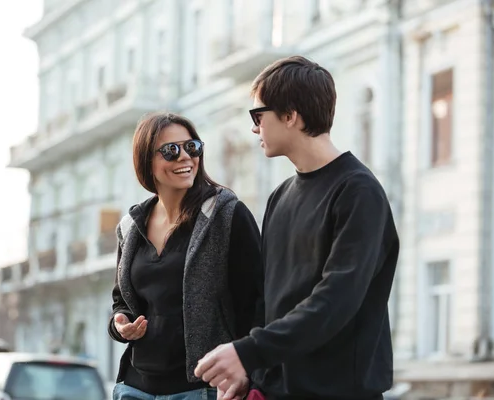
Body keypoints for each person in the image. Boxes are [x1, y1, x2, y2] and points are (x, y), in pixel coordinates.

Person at [194, 56, 400, 400]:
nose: (254, 127)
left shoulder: (358, 192)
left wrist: (248, 352)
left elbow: (336, 300)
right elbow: (269, 304)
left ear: (290, 115)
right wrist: (252, 374)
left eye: (258, 115)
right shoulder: (279, 198)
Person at [108, 112, 264, 400]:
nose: (184, 157)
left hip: (200, 389)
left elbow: (255, 303)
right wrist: (121, 323)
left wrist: (247, 371)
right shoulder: (130, 227)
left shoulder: (226, 216)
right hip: (134, 388)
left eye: (192, 147)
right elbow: (123, 301)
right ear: (146, 161)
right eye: (171, 151)